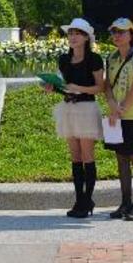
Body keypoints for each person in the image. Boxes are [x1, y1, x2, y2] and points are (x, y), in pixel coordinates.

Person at [45, 17, 105, 218]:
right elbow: (63, 87)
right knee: (75, 157)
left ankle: (87, 200)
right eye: (70, 33)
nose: (72, 37)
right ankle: (79, 199)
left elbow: (100, 87)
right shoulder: (63, 59)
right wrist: (52, 87)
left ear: (86, 37)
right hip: (68, 108)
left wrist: (79, 88)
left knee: (88, 155)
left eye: (77, 33)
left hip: (87, 108)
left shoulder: (94, 59)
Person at [103, 17, 133, 221]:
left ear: (131, 35)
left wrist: (120, 110)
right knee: (121, 159)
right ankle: (124, 203)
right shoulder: (111, 58)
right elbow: (107, 86)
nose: (116, 36)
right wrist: (112, 104)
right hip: (115, 115)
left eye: (121, 32)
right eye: (114, 32)